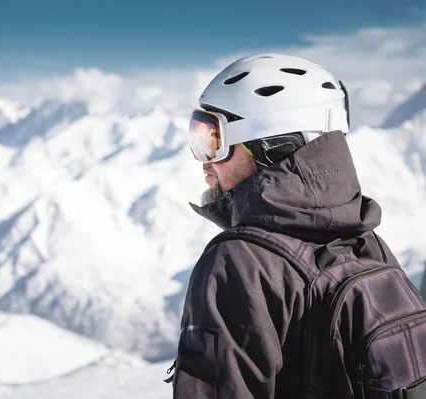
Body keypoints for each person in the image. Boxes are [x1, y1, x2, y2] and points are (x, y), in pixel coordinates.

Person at [170, 53, 422, 399]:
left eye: (214, 139)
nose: (203, 161)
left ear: (270, 147)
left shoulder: (239, 262)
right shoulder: (366, 239)